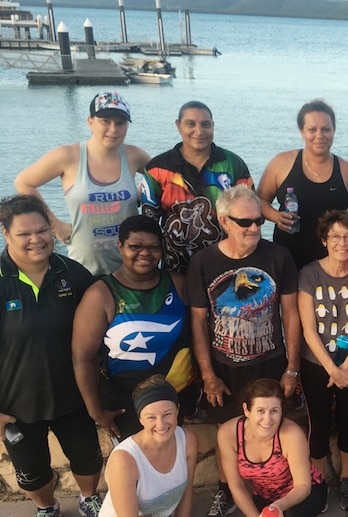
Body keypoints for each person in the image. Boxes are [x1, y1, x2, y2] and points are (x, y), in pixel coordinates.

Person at [186, 184, 301, 517]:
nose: (253, 229)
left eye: (258, 223)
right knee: (226, 433)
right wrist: (208, 375)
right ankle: (227, 492)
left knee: (276, 430)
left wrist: (292, 369)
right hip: (224, 368)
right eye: (245, 222)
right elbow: (198, 321)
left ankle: (282, 493)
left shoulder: (278, 256)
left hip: (270, 362)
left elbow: (291, 314)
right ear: (224, 220)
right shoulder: (204, 262)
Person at [0, 195, 103, 517]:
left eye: (42, 229)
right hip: (16, 404)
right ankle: (47, 508)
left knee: (87, 459)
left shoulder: (71, 272)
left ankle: (90, 499)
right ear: (5, 234)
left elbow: (101, 324)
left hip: (72, 394)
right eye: (24, 233)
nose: (36, 239)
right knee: (31, 473)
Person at [91, 376, 231, 517]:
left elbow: (186, 494)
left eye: (167, 414)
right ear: (140, 418)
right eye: (151, 417)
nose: (161, 424)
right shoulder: (124, 460)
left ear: (177, 410)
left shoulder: (187, 440)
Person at [72, 215, 196, 441]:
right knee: (132, 471)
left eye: (153, 247)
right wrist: (96, 411)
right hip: (124, 402)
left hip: (172, 398)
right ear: (120, 247)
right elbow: (83, 358)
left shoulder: (178, 284)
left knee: (170, 465)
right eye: (135, 247)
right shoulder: (100, 295)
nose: (145, 254)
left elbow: (198, 335)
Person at [14, 91, 150, 276]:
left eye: (120, 123)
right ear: (90, 121)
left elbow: (163, 176)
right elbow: (24, 182)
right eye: (105, 121)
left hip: (129, 267)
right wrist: (55, 225)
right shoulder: (68, 156)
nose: (113, 129)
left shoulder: (135, 156)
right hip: (83, 269)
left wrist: (138, 193)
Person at [297, 210, 348, 510]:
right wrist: (332, 369)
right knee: (318, 423)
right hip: (317, 364)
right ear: (325, 239)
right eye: (336, 236)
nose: (342, 242)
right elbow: (308, 328)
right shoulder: (309, 274)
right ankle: (320, 479)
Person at [217, 378, 327, 517]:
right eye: (260, 411)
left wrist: (277, 508)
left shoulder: (291, 433)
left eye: (274, 411)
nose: (267, 420)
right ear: (246, 410)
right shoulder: (228, 433)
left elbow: (303, 486)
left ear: (281, 411)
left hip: (304, 490)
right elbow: (236, 486)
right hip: (265, 495)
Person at [142, 100, 254, 274]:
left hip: (225, 264)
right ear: (178, 126)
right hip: (176, 268)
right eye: (190, 124)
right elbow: (149, 223)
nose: (199, 131)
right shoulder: (157, 168)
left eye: (205, 125)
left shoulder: (232, 164)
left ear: (213, 126)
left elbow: (250, 214)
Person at [258, 99, 348, 270]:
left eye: (326, 129)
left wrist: (339, 225)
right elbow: (260, 201)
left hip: (334, 263)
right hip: (288, 259)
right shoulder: (281, 163)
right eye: (312, 129)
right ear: (302, 131)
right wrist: (276, 217)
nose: (319, 136)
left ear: (334, 131)